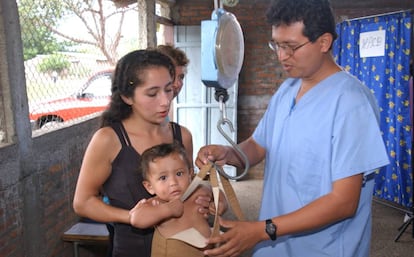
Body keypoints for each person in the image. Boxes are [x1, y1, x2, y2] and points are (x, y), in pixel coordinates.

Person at [195, 0, 390, 257]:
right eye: (276, 44)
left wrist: (261, 230)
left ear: (324, 42)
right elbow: (258, 145)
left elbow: (344, 202)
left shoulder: (351, 102)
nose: (281, 56)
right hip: (274, 244)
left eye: (291, 47)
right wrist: (228, 154)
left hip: (323, 248)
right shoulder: (288, 90)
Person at [73, 49, 212, 257]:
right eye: (152, 93)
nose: (165, 101)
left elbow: (186, 190)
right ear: (127, 97)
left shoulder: (181, 135)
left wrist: (206, 197)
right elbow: (83, 203)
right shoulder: (108, 140)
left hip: (180, 249)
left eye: (168, 89)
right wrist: (131, 217)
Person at [129, 142, 218, 257]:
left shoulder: (199, 191)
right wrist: (167, 210)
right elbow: (136, 219)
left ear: (190, 174)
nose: (173, 183)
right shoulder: (157, 204)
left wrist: (219, 204)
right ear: (149, 187)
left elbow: (216, 193)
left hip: (207, 251)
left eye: (179, 174)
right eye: (163, 178)